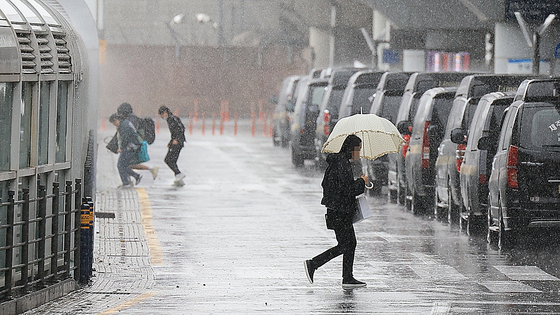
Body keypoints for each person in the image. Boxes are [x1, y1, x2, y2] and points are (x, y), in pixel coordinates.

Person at [304, 134, 368, 289]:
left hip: (338, 211)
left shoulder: (340, 162)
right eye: (358, 150)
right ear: (351, 149)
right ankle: (313, 264)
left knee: (348, 244)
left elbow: (339, 186)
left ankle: (347, 277)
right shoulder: (341, 164)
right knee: (346, 244)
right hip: (339, 212)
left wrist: (358, 182)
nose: (359, 153)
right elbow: (347, 189)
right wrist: (361, 182)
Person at [116, 102, 159, 180]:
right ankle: (130, 179)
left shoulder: (131, 119)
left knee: (124, 164)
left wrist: (123, 145)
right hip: (133, 145)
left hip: (133, 145)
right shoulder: (131, 118)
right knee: (126, 164)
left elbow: (130, 133)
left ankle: (130, 180)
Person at [109, 113, 143, 188]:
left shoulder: (124, 126)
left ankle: (126, 182)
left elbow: (126, 138)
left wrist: (121, 148)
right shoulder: (125, 123)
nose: (114, 124)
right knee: (124, 165)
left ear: (117, 120)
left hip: (131, 147)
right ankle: (136, 176)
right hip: (132, 147)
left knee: (120, 165)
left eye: (114, 123)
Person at [158, 106, 186, 185]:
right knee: (173, 160)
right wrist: (171, 142)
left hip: (177, 142)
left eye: (161, 114)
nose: (162, 117)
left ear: (165, 113)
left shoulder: (171, 119)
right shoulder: (174, 118)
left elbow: (178, 130)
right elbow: (181, 128)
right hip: (179, 142)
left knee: (168, 160)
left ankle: (178, 174)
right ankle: (178, 178)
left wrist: (176, 139)